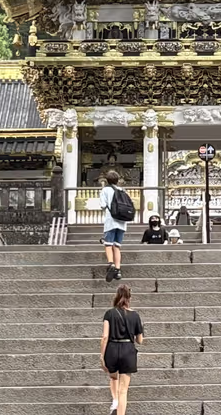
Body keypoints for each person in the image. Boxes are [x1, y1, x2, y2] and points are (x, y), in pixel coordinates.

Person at [100, 283, 144, 415]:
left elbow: (105, 336)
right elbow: (140, 340)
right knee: (123, 389)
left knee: (113, 377)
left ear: (116, 296)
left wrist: (102, 356)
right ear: (129, 298)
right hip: (127, 350)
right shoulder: (135, 315)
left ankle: (114, 401)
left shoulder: (109, 313)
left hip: (112, 349)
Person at [100, 169, 128, 282]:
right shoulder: (123, 190)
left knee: (108, 244)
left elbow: (102, 205)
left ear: (107, 180)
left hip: (110, 220)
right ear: (118, 180)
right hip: (122, 221)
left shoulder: (105, 190)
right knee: (117, 246)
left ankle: (111, 264)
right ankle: (118, 269)